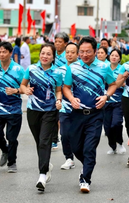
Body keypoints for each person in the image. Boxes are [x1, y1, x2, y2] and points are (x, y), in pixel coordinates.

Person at [62, 36, 116, 193]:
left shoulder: (104, 67)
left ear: (95, 51)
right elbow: (66, 87)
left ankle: (85, 179)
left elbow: (112, 85)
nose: (84, 55)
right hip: (76, 113)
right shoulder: (73, 68)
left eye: (88, 52)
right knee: (75, 147)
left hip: (96, 114)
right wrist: (71, 98)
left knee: (89, 148)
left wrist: (106, 96)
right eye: (82, 52)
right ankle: (87, 166)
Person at [20, 44, 63, 192]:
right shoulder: (31, 69)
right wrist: (26, 90)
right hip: (33, 110)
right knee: (39, 141)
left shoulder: (57, 72)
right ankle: (46, 164)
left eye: (48, 54)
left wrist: (59, 100)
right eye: (43, 53)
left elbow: (58, 90)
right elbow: (22, 86)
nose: (45, 56)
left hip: (50, 111)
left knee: (45, 141)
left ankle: (42, 175)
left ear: (53, 57)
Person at [0, 42, 24, 173]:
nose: (1, 54)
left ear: (10, 53)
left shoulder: (18, 70)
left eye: (4, 52)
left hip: (14, 109)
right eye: (0, 52)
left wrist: (16, 91)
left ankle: (12, 162)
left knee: (11, 137)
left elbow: (26, 88)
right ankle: (5, 150)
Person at [58, 42, 77, 170]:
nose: (69, 54)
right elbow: (58, 88)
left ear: (78, 54)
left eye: (72, 52)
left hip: (79, 107)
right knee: (64, 134)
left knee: (77, 135)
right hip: (64, 106)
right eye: (67, 52)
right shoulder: (59, 70)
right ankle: (69, 158)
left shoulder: (82, 69)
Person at [104, 49, 126, 155]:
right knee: (107, 127)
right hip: (106, 101)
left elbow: (122, 84)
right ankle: (112, 147)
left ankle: (120, 143)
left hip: (118, 101)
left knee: (116, 123)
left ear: (119, 58)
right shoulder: (104, 68)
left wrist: (119, 82)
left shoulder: (122, 69)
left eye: (116, 56)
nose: (114, 57)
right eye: (112, 55)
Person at [53, 32, 69, 150]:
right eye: (56, 41)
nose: (57, 44)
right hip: (52, 87)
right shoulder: (52, 54)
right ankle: (54, 138)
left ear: (65, 43)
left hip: (65, 88)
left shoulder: (67, 56)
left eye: (60, 42)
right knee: (53, 112)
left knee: (61, 112)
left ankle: (60, 135)